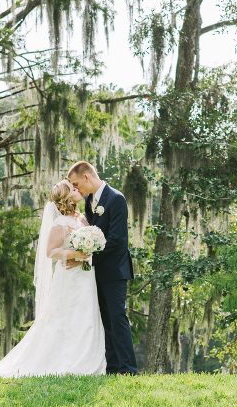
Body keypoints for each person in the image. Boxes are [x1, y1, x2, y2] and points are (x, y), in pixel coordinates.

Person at [0, 180, 106, 377]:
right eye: (72, 189)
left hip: (85, 275)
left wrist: (88, 251)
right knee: (65, 317)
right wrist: (74, 254)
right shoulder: (60, 224)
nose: (77, 190)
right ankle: (66, 360)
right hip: (68, 277)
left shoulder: (82, 218)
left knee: (86, 314)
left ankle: (87, 357)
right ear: (66, 197)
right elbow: (51, 252)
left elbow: (88, 245)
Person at [67, 161, 137, 375]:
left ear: (87, 176)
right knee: (105, 318)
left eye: (76, 184)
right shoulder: (89, 202)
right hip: (96, 270)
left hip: (115, 270)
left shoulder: (116, 199)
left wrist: (88, 253)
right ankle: (113, 367)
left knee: (117, 317)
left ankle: (128, 368)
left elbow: (117, 240)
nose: (76, 189)